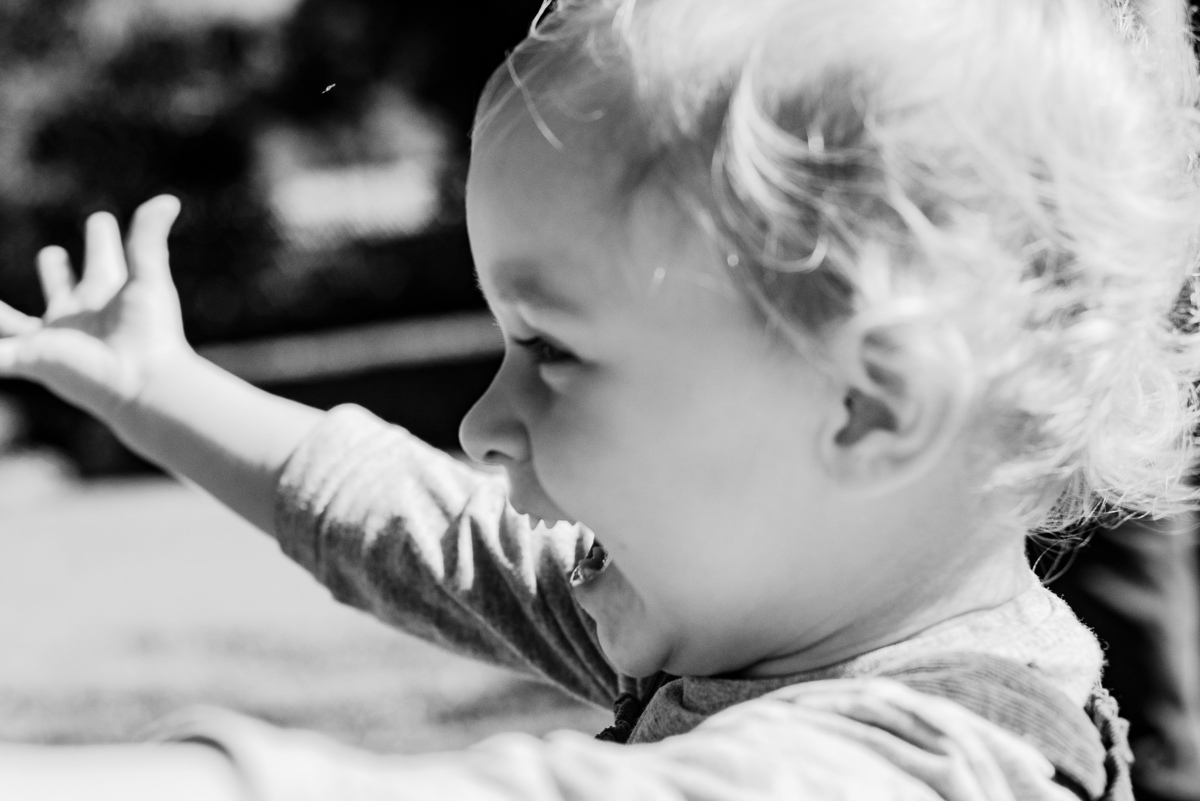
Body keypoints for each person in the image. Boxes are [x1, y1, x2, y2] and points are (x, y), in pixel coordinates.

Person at [0, 0, 1198, 798]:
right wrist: (159, 391)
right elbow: (421, 531)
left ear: (869, 405)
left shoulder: (924, 759)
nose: (480, 426)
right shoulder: (754, 609)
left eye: (552, 350)